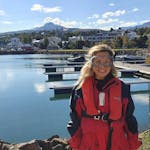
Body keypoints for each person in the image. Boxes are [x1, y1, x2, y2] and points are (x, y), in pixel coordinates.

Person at [67, 44, 142, 150]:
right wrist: (77, 146)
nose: (102, 66)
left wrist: (132, 145)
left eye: (107, 62)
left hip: (117, 144)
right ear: (91, 63)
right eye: (97, 62)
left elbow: (129, 119)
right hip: (89, 145)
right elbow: (75, 121)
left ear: (112, 64)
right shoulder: (79, 89)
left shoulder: (122, 88)